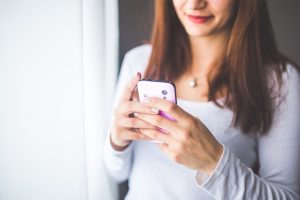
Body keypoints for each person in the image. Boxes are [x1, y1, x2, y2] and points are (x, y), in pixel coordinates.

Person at [103, 0, 300, 199]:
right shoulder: (138, 62)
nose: (195, 4)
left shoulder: (279, 80)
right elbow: (116, 172)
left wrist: (212, 161)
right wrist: (117, 141)